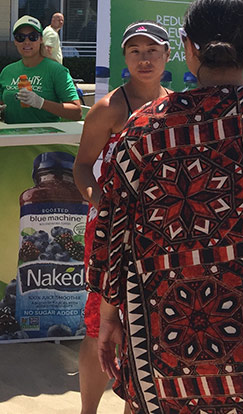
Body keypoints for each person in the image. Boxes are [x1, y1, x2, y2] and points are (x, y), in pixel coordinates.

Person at [88, 0, 243, 414]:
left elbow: (115, 233)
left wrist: (110, 315)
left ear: (186, 47)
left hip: (162, 353)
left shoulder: (142, 131)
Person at [73, 21, 171, 414]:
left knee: (148, 328)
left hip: (159, 234)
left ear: (168, 55)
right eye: (135, 51)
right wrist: (100, 201)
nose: (144, 59)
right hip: (112, 236)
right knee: (100, 325)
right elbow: (82, 166)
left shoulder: (175, 105)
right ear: (125, 58)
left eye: (152, 51)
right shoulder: (109, 107)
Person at [0, 15, 81, 123]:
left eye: (33, 36)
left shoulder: (57, 71)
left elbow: (77, 112)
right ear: (15, 41)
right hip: (11, 137)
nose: (27, 42)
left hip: (44, 138)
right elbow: (1, 105)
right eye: (20, 37)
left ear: (41, 39)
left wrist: (41, 103)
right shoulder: (7, 71)